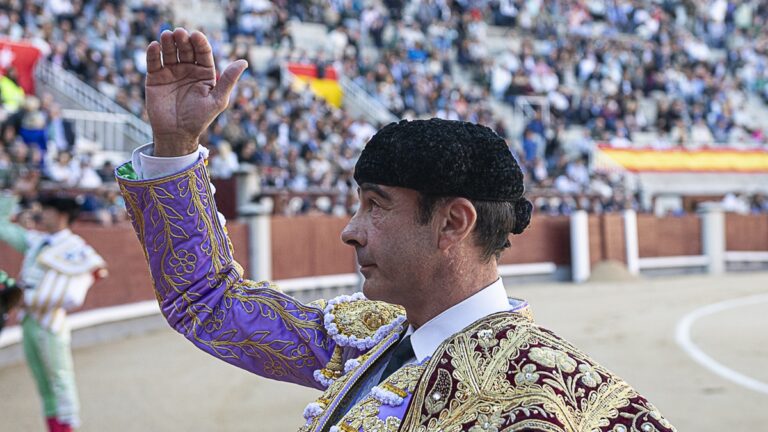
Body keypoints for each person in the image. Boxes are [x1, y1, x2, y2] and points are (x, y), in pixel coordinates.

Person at [116, 28, 676, 431]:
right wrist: (175, 146)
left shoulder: (539, 398)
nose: (351, 231)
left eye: (377, 206)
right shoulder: (370, 337)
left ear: (453, 222)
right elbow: (208, 300)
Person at [0, 192, 107, 432]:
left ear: (61, 215)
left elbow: (73, 296)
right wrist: (12, 194)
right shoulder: (36, 241)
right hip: (29, 321)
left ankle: (67, 428)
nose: (40, 213)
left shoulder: (76, 248)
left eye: (46, 209)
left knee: (60, 380)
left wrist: (24, 298)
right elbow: (1, 226)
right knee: (43, 383)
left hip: (50, 323)